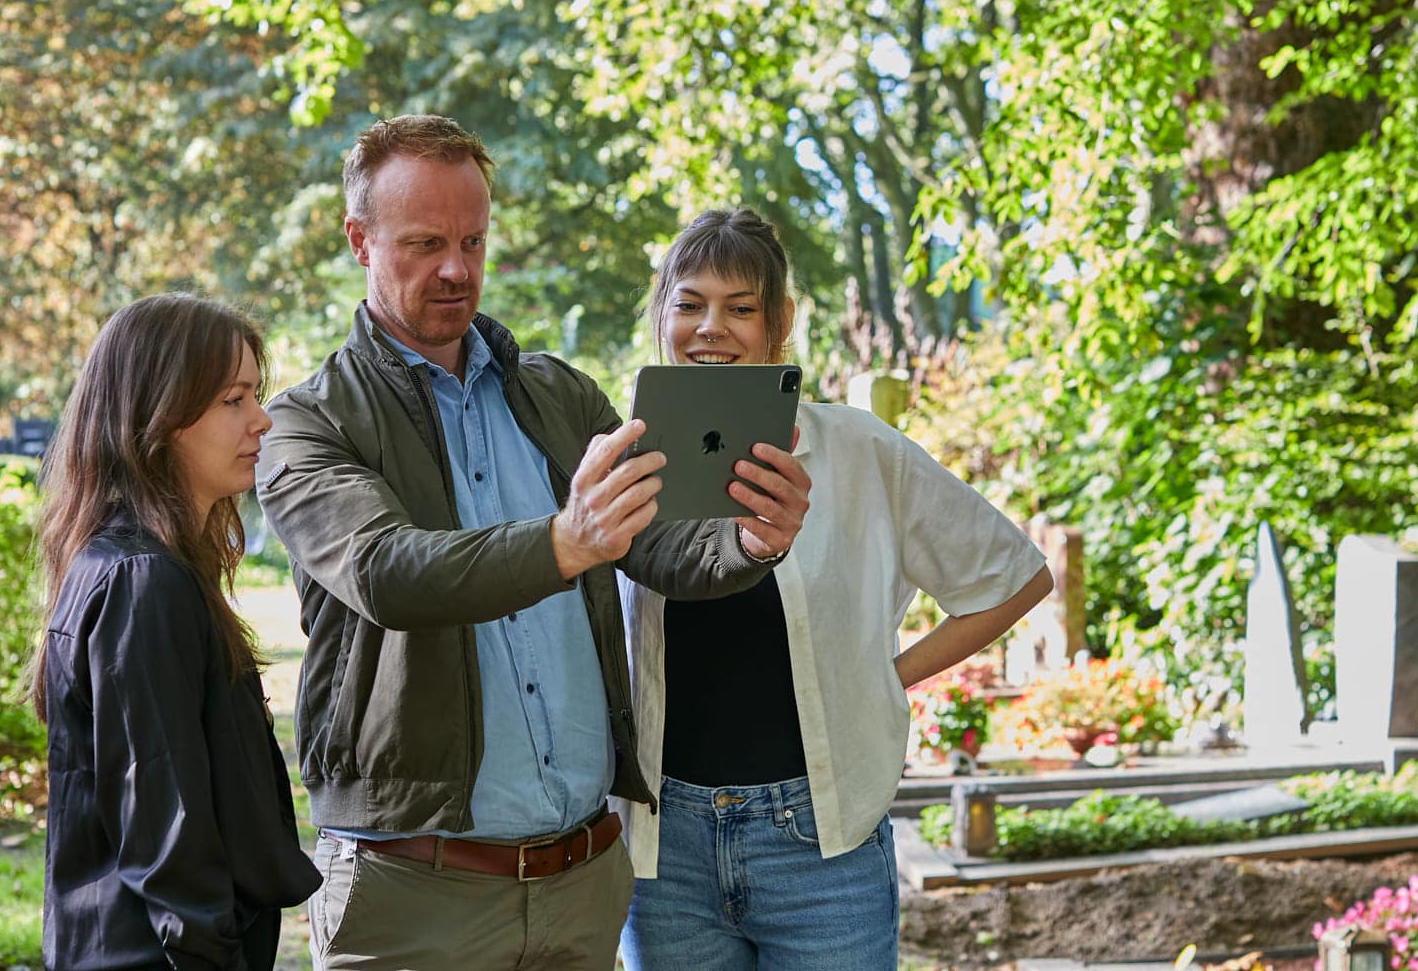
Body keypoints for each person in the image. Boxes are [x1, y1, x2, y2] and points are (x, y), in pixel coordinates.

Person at [255, 115, 812, 970]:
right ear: (358, 240)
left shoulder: (560, 396)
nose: (456, 269)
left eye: (473, 242)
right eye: (425, 243)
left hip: (580, 886)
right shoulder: (307, 422)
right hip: (410, 895)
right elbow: (386, 573)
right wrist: (564, 541)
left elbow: (660, 548)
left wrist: (750, 543)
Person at [619, 209, 1054, 971]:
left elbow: (1013, 577)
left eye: (740, 307)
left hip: (823, 851)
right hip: (665, 858)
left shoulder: (856, 451)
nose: (710, 327)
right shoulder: (622, 468)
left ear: (780, 324)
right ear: (662, 316)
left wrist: (886, 676)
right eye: (689, 304)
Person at [33, 294, 320, 971]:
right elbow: (168, 841)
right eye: (232, 399)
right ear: (156, 417)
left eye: (256, 393)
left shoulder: (142, 566)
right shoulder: (142, 583)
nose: (261, 419)